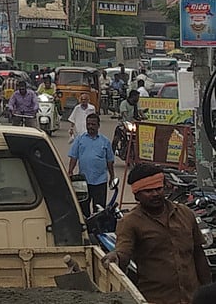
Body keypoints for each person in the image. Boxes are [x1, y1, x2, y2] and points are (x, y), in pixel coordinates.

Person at [103, 163, 211, 303]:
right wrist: (115, 257)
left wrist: (208, 291)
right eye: (148, 191)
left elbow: (198, 253)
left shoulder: (185, 213)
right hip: (156, 299)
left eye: (158, 189)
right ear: (137, 195)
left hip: (192, 298)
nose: (155, 194)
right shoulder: (130, 222)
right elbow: (123, 252)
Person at [67, 114, 114, 216]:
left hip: (100, 181)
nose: (90, 126)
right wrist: (70, 172)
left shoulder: (105, 141)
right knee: (83, 210)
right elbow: (73, 157)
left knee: (99, 210)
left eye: (93, 124)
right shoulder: (79, 139)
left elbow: (110, 161)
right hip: (83, 182)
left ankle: (98, 231)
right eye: (88, 124)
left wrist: (112, 176)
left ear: (98, 125)